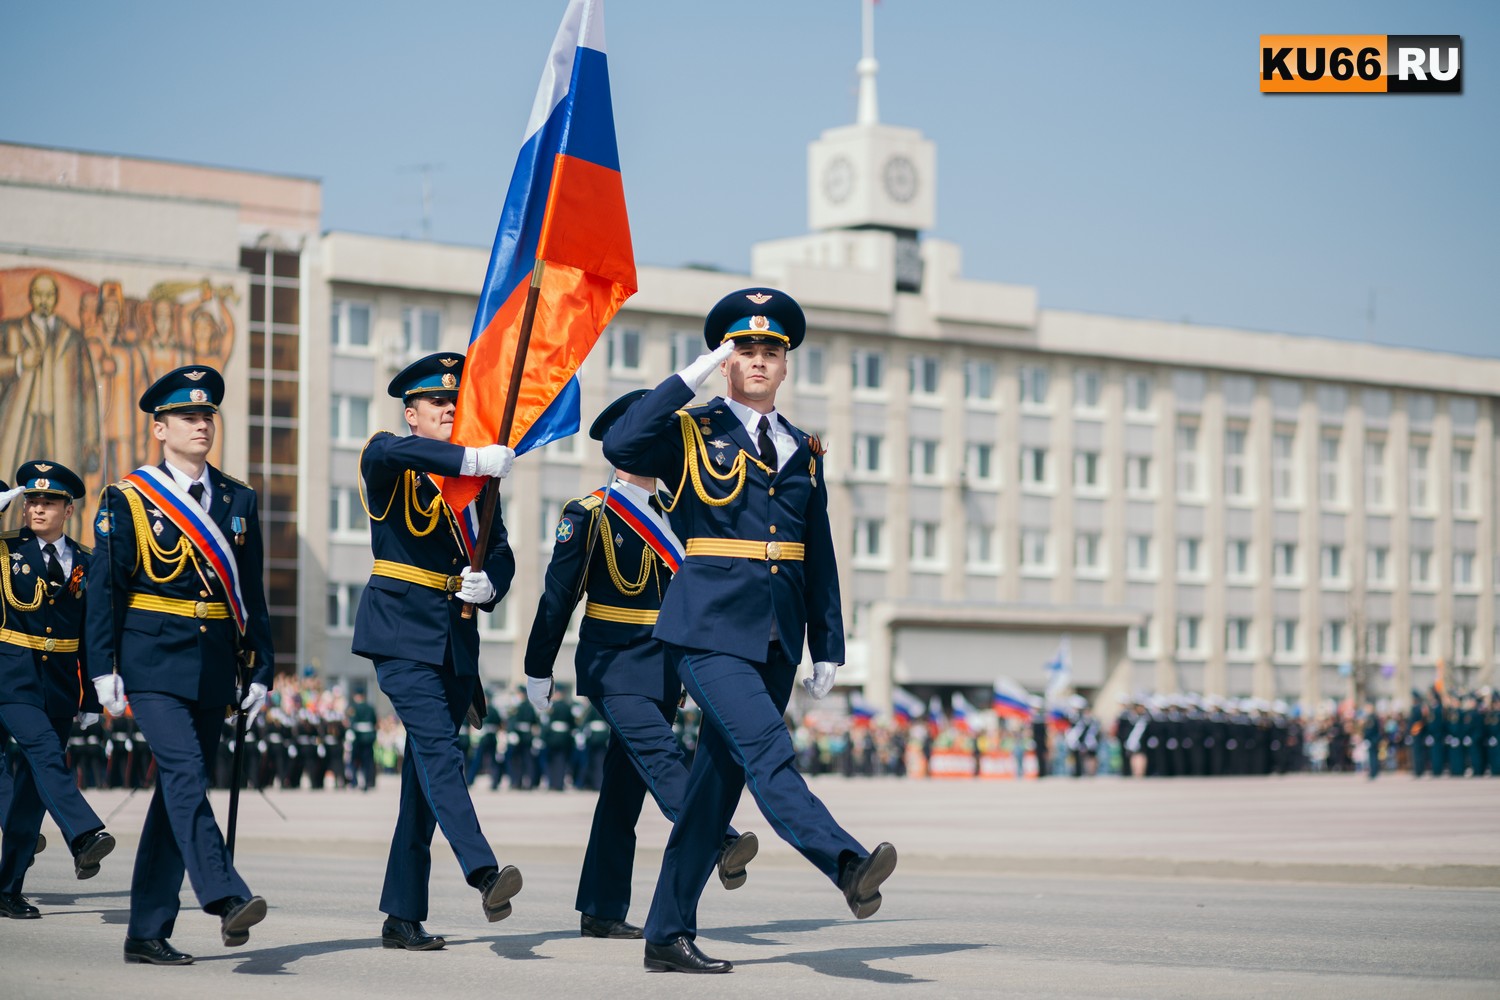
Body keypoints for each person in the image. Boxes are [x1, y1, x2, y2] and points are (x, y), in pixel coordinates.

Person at [603, 287, 896, 974]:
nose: (758, 359)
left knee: (712, 792)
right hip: (705, 629)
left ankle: (665, 934)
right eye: (745, 350)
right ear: (727, 360)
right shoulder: (688, 431)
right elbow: (620, 441)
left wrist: (828, 644)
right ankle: (846, 863)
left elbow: (817, 551)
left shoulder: (803, 449)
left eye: (769, 350)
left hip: (773, 637)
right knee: (769, 748)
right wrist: (690, 376)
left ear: (785, 363)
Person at [523, 390, 759, 940]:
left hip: (664, 669)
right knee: (662, 754)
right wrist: (539, 667)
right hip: (614, 664)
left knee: (622, 793)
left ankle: (602, 909)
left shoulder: (682, 515)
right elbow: (558, 598)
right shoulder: (590, 513)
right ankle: (717, 838)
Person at [85, 366, 275, 965]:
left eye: (208, 416)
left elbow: (252, 593)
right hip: (152, 663)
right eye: (189, 417)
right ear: (160, 427)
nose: (201, 424)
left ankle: (145, 932)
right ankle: (224, 895)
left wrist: (262, 669)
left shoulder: (238, 498)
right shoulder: (128, 498)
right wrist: (102, 667)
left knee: (175, 797)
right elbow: (105, 590)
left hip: (215, 666)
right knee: (188, 775)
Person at [351, 351, 519, 952]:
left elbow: (500, 551)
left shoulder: (474, 488)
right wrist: (471, 456)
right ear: (411, 412)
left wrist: (492, 583)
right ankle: (483, 871)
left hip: (453, 640)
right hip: (399, 633)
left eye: (455, 401)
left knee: (423, 784)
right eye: (436, 403)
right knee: (442, 754)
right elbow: (392, 452)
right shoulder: (389, 457)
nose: (449, 409)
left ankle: (402, 914)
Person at [0, 462, 115, 919]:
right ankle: (84, 834)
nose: (37, 508)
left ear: (68, 509)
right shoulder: (6, 550)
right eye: (31, 500)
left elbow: (92, 633)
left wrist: (89, 697)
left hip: (61, 682)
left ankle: (8, 888)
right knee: (47, 755)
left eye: (48, 502)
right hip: (11, 674)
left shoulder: (85, 561)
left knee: (31, 790)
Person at [0, 273, 101, 488]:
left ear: (56, 298)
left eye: (49, 295)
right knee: (17, 483)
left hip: (61, 426)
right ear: (30, 297)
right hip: (22, 423)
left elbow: (89, 391)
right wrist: (18, 361)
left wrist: (91, 438)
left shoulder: (73, 339)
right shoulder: (11, 330)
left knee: (59, 484)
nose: (43, 300)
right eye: (38, 294)